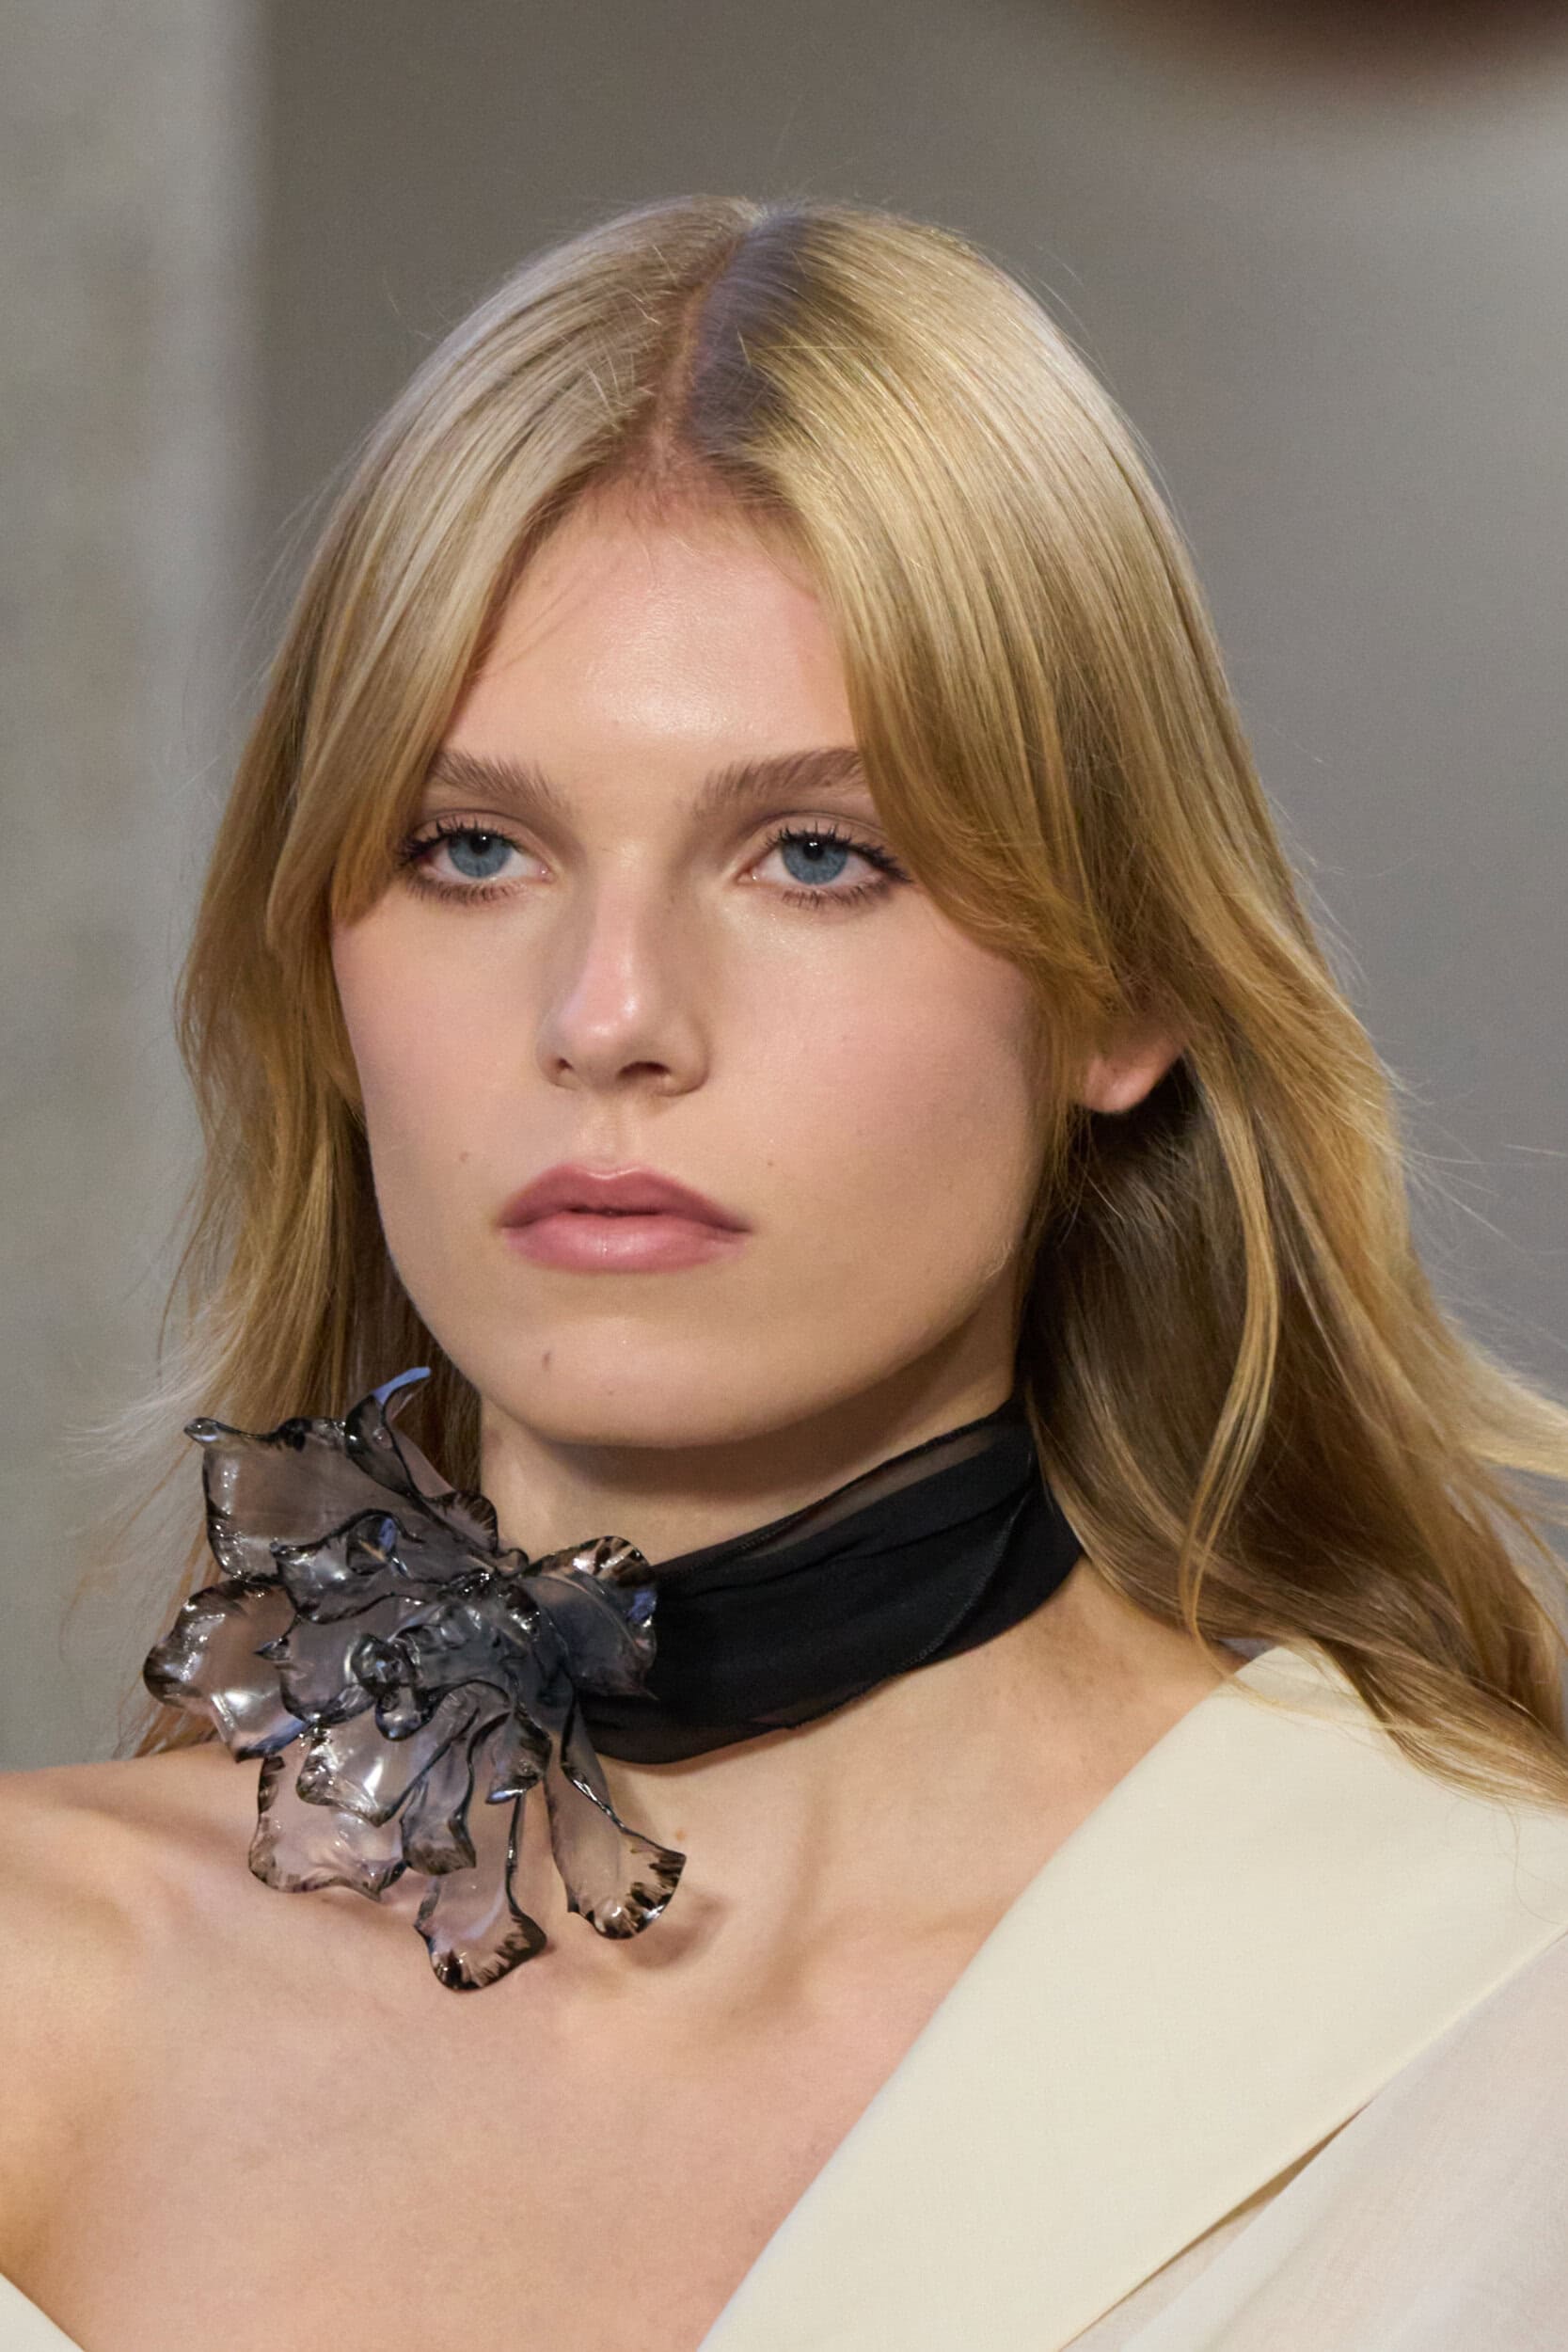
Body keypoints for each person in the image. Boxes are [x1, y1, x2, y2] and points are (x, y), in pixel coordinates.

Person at [2, 193, 1566, 2352]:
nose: (610, 1013)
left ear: (1125, 984)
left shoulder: (1490, 1996)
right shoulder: (39, 1974)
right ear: (323, 970)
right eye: (472, 848)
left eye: (817, 853)